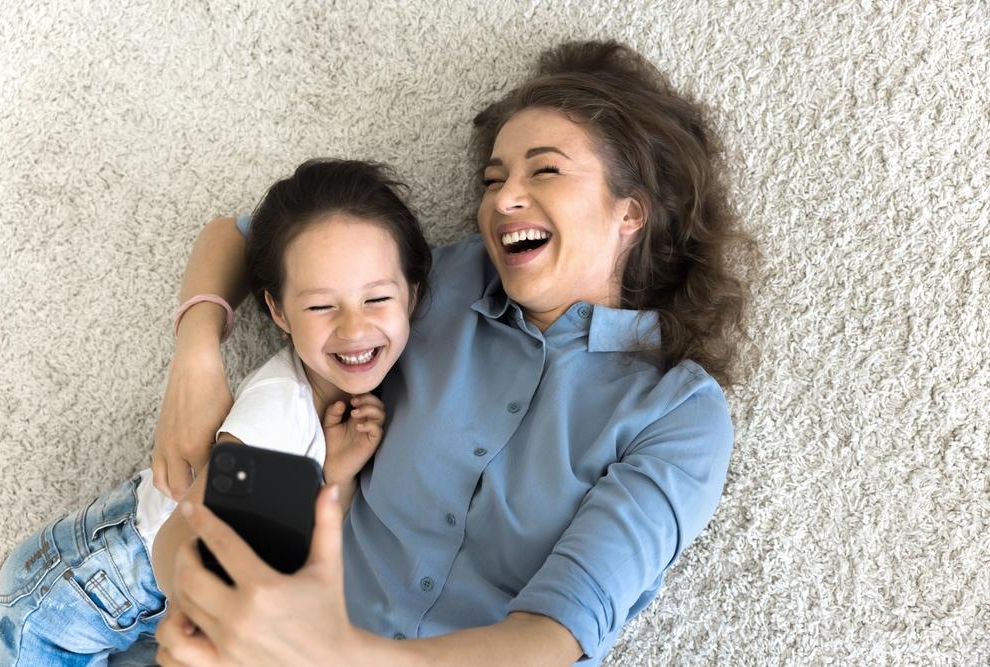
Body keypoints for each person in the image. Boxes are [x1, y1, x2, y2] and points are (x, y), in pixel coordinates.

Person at [155, 40, 754, 666]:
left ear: (629, 211)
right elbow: (245, 236)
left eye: (543, 170)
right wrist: (196, 358)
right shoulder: (438, 285)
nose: (502, 199)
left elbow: (554, 635)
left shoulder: (679, 415)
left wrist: (331, 654)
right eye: (494, 180)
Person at [0, 159, 431, 664]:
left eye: (376, 298)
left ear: (412, 296)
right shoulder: (278, 407)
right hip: (82, 592)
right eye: (320, 307)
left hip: (153, 607)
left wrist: (337, 475)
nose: (354, 330)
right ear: (279, 311)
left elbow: (301, 530)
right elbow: (186, 532)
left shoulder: (331, 415)